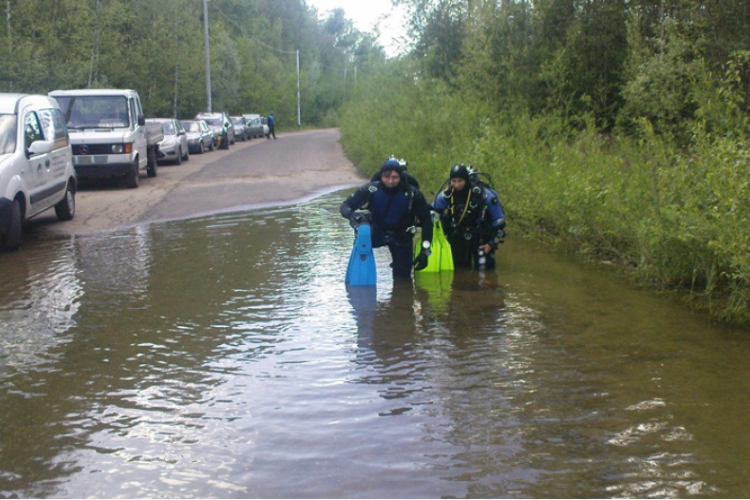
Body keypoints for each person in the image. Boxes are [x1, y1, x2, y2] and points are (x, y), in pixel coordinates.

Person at [341, 158, 434, 278]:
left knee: (403, 280)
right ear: (381, 176)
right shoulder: (371, 189)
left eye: (395, 177)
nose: (390, 181)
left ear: (400, 177)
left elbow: (427, 221)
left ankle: (400, 296)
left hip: (401, 237)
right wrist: (352, 215)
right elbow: (345, 206)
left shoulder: (412, 194)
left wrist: (424, 251)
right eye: (387, 177)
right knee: (363, 234)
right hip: (377, 232)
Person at [432, 164, 506, 270]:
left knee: (485, 275)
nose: (456, 185)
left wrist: (491, 244)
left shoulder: (482, 194)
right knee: (457, 274)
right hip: (457, 237)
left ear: (466, 180)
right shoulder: (447, 194)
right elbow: (431, 211)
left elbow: (499, 219)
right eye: (453, 181)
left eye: (460, 181)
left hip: (480, 238)